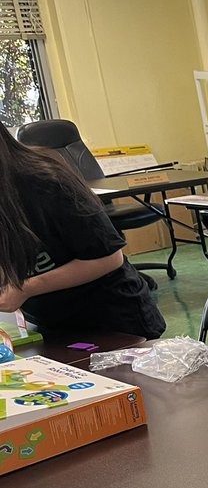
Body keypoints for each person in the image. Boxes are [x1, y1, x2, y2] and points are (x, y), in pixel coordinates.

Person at [0, 122, 165, 339]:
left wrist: (24, 289)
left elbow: (108, 258)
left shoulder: (45, 180)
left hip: (111, 321)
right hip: (51, 324)